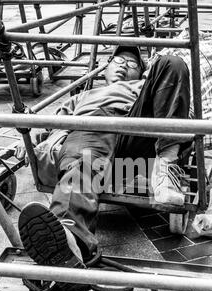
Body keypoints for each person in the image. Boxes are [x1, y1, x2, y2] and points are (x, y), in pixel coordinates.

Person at [17, 46, 191, 271]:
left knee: (172, 62)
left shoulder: (142, 87)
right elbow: (51, 125)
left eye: (132, 64)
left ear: (141, 73)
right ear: (105, 68)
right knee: (81, 165)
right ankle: (70, 241)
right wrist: (27, 138)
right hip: (91, 132)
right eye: (118, 61)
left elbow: (175, 104)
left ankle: (166, 171)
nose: (124, 66)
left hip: (135, 131)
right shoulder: (81, 97)